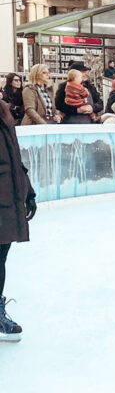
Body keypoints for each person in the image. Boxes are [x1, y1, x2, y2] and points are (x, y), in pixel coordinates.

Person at [0, 97, 35, 340]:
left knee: (1, 254)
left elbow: (14, 156)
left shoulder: (3, 110)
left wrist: (27, 191)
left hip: (7, 194)